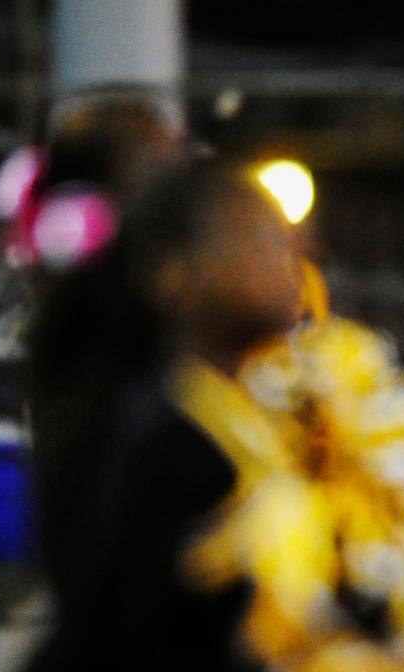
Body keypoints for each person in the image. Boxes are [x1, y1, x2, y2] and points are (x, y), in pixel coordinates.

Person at [22, 159, 302, 671]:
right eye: (252, 238)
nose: (283, 260)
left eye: (282, 240)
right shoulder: (165, 444)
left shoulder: (231, 422)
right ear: (171, 275)